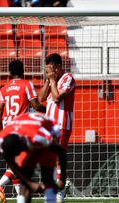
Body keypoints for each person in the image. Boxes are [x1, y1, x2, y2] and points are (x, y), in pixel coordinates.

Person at [0, 60, 46, 203]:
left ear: (9, 73)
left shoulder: (4, 89)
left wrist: (1, 132)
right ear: (23, 71)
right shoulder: (27, 84)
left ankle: (19, 198)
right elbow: (35, 105)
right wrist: (49, 109)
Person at [0, 112, 67, 203]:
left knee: (47, 176)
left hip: (49, 128)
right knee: (25, 177)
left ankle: (50, 199)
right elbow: (11, 163)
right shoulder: (1, 140)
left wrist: (62, 179)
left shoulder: (40, 138)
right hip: (28, 129)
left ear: (22, 145)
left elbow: (61, 152)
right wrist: (28, 183)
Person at [38, 53, 75, 202]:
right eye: (47, 69)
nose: (49, 72)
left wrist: (52, 80)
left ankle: (60, 190)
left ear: (58, 66)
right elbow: (41, 98)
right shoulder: (52, 80)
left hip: (62, 123)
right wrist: (48, 80)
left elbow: (57, 97)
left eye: (51, 68)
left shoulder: (68, 78)